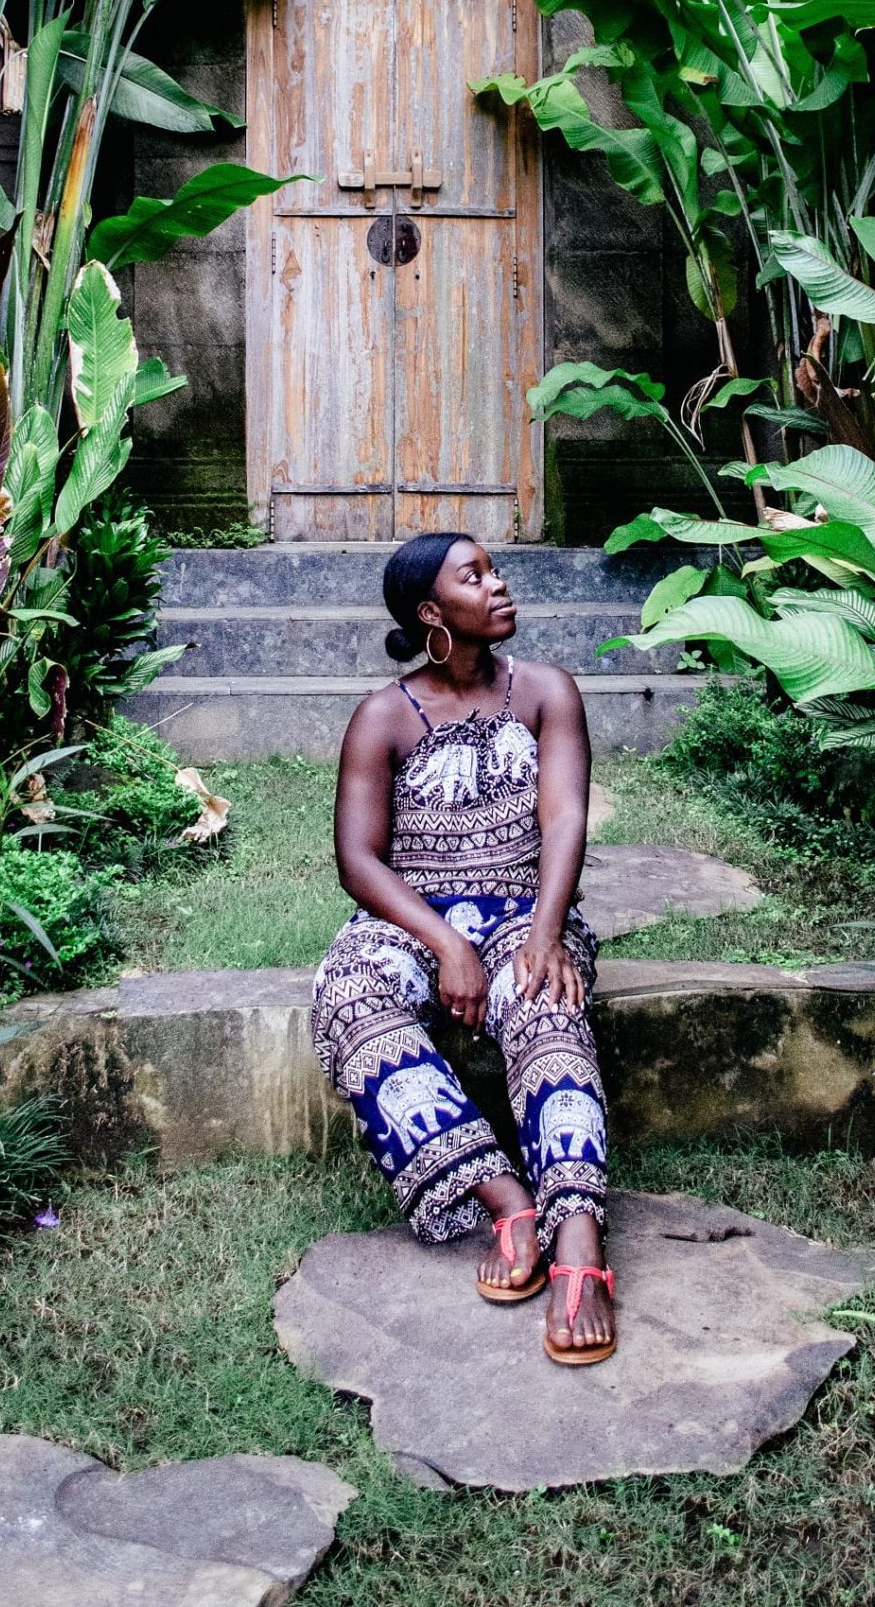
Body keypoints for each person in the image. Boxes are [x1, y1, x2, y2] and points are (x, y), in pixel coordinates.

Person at [310, 532, 616, 1365]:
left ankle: (579, 1246)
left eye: (495, 571)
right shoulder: (382, 716)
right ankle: (505, 1196)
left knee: (548, 1005)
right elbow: (358, 860)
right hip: (411, 920)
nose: (500, 585)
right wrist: (446, 941)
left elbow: (563, 819)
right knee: (351, 996)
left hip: (529, 909)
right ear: (431, 612)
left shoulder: (549, 691)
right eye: (473, 577)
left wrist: (546, 934)